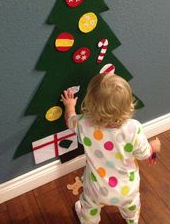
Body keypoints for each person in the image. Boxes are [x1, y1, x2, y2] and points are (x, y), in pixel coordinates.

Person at [61, 73, 161, 224]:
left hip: (96, 188)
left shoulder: (83, 124)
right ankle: (132, 220)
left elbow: (69, 120)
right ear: (129, 104)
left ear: (89, 103)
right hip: (127, 189)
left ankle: (88, 221)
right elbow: (143, 154)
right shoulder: (133, 128)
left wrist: (69, 106)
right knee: (131, 206)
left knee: (90, 206)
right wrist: (153, 147)